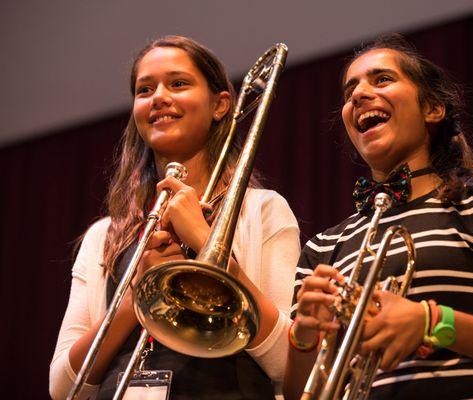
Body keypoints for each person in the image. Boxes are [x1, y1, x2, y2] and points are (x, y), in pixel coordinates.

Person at [283, 34, 473, 399]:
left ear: (432, 109)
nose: (358, 95)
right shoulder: (323, 247)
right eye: (349, 89)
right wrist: (303, 335)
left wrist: (432, 323)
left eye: (381, 79)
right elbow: (298, 393)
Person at [49, 36, 300, 400]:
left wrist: (204, 241)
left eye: (178, 83)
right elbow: (62, 386)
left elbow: (288, 362)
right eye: (145, 89)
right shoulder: (103, 236)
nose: (159, 97)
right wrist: (138, 292)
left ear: (220, 105)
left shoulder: (261, 210)